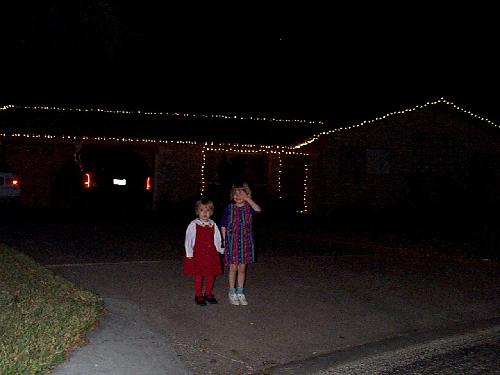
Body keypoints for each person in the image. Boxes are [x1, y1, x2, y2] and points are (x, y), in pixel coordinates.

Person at [220, 182, 261, 305]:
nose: (238, 196)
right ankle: (232, 292)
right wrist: (224, 240)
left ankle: (240, 292)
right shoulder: (229, 208)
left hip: (245, 242)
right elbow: (223, 225)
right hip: (232, 242)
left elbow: (258, 209)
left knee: (242, 268)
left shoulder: (249, 208)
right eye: (235, 194)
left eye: (241, 193)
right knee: (233, 267)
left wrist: (247, 198)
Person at [183, 199, 224, 306]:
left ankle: (208, 293)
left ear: (211, 212)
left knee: (211, 274)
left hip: (211, 254)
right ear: (197, 212)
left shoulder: (213, 224)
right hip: (199, 254)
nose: (205, 213)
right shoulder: (194, 225)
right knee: (199, 275)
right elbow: (189, 239)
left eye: (208, 210)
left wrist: (220, 249)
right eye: (202, 210)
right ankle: (198, 295)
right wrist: (189, 254)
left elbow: (217, 238)